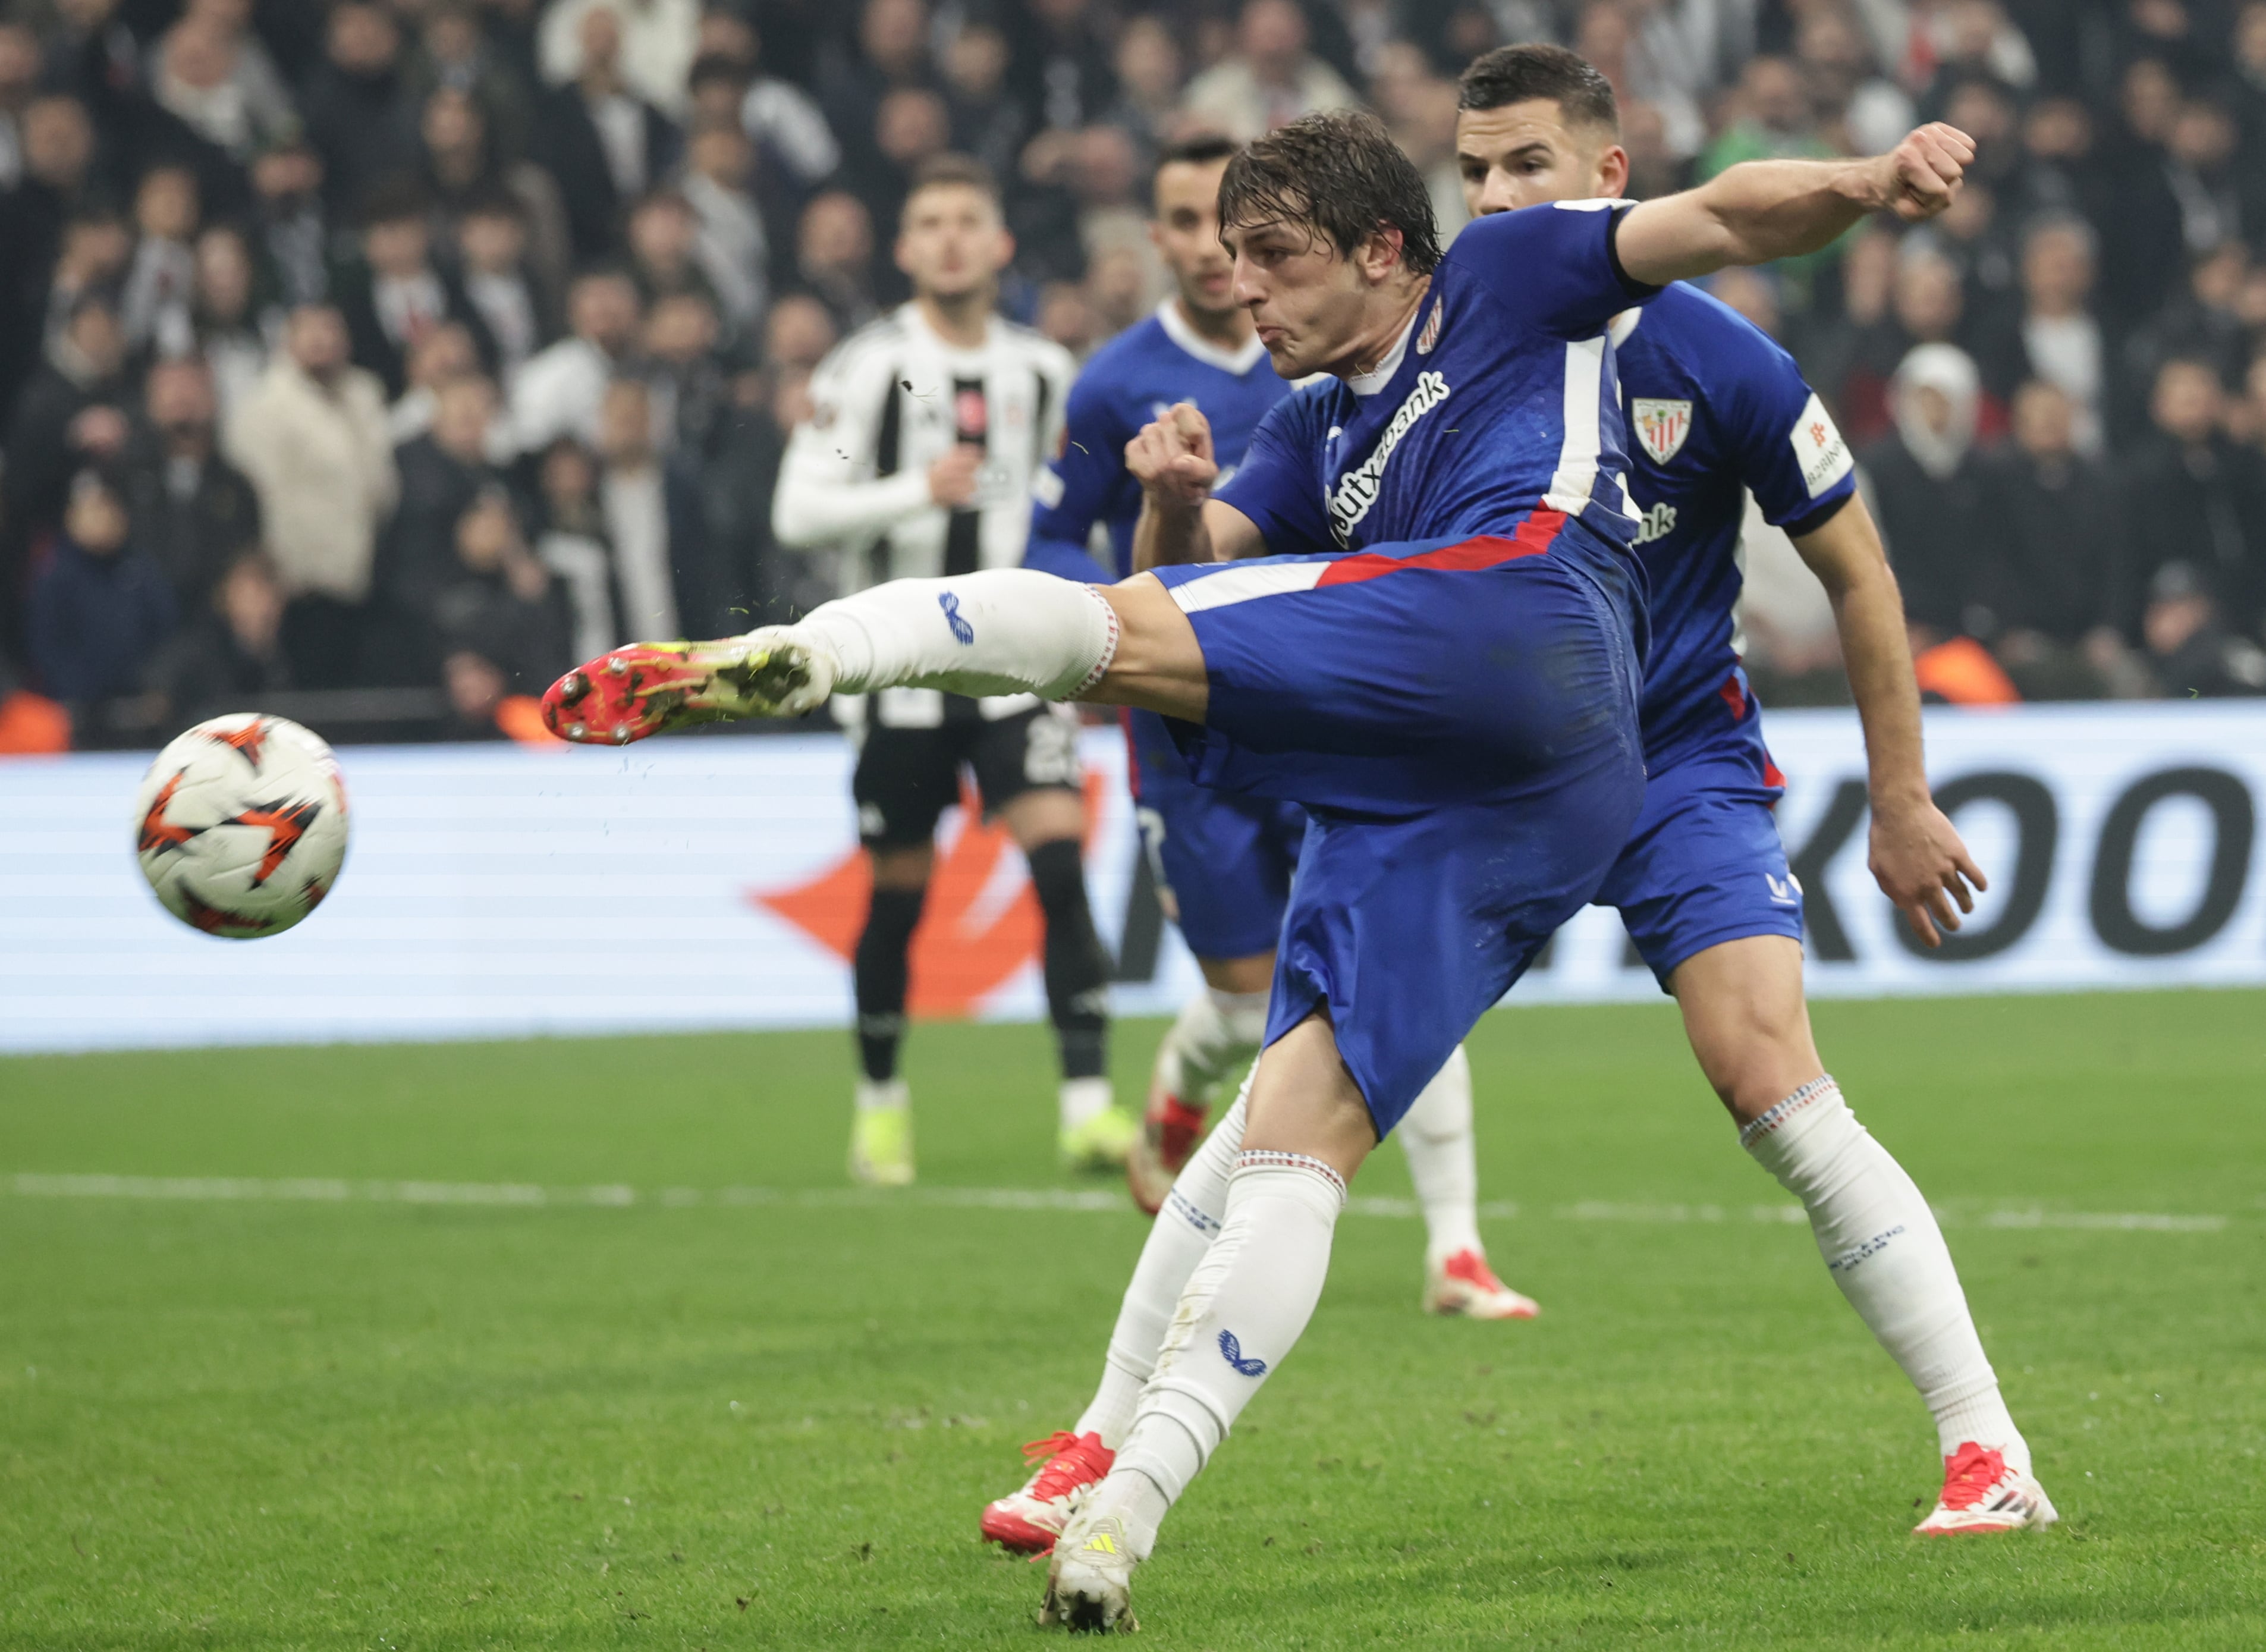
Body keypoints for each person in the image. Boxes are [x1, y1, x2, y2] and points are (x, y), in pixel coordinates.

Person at [539, 108, 1987, 1631]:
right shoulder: (1313, 427)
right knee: (1293, 1125)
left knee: (1100, 638)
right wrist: (1170, 491)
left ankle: (812, 652)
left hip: (1544, 636)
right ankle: (1121, 1511)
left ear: (1385, 249)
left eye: (1274, 258)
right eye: (1230, 261)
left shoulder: (1511, 277)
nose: (1244, 291)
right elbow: (1191, 569)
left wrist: (1869, 181)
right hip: (1498, 774)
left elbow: (1736, 219)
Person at [1020, 134, 1530, 1324]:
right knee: (1256, 1008)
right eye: (1198, 226)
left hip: (1334, 715)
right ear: (1162, 237)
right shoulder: (1116, 384)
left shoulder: (1341, 363)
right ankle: (1187, 1072)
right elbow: (1061, 541)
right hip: (1193, 742)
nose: (1223, 259)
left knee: (1391, 969)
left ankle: (1454, 1245)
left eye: (1248, 236)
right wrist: (1106, 579)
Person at [766, 152, 1130, 1185]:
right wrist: (912, 493)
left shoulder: (1048, 372)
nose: (952, 238)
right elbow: (798, 512)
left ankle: (1087, 1109)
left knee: (1059, 865)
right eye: (931, 222)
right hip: (900, 673)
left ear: (1002, 243)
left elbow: (1082, 513)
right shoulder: (867, 367)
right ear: (906, 248)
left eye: (970, 219)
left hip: (1020, 665)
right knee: (899, 898)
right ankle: (881, 1105)